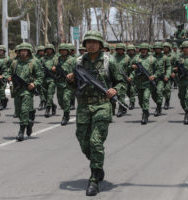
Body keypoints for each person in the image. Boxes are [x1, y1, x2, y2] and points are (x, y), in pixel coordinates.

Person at [67, 30, 122, 196]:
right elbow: (73, 87)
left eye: (94, 42)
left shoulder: (109, 61)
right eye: (88, 42)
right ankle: (98, 165)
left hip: (102, 106)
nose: (91, 44)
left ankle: (94, 179)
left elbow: (122, 82)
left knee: (95, 141)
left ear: (100, 44)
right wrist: (70, 80)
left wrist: (115, 89)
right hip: (83, 106)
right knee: (84, 142)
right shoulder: (78, 62)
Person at [8, 43, 43, 141]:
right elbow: (8, 72)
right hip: (17, 90)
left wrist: (34, 83)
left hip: (27, 91)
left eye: (25, 50)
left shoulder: (34, 62)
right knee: (18, 112)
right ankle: (28, 123)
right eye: (21, 50)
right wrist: (8, 77)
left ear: (28, 51)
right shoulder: (15, 62)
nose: (23, 52)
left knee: (24, 110)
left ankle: (21, 131)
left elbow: (40, 76)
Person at [130, 43, 160, 124]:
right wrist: (133, 68)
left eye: (145, 49)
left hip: (148, 83)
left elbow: (159, 70)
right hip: (138, 83)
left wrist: (154, 76)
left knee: (146, 98)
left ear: (147, 50)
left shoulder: (152, 59)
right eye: (142, 49)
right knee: (140, 101)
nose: (143, 50)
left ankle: (145, 115)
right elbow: (131, 68)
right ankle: (145, 111)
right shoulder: (136, 59)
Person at [52, 43, 75, 125]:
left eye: (64, 50)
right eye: (61, 50)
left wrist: (72, 75)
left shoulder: (72, 60)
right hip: (59, 83)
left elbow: (77, 70)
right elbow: (53, 67)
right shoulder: (57, 59)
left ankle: (66, 115)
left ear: (67, 51)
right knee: (60, 102)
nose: (63, 52)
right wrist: (54, 69)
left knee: (66, 99)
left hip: (68, 84)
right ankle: (66, 110)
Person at [0, 45, 12, 110]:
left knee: (1, 89)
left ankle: (2, 102)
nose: (0, 51)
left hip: (5, 76)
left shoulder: (8, 59)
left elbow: (11, 67)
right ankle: (4, 99)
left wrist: (9, 76)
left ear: (4, 51)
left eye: (1, 50)